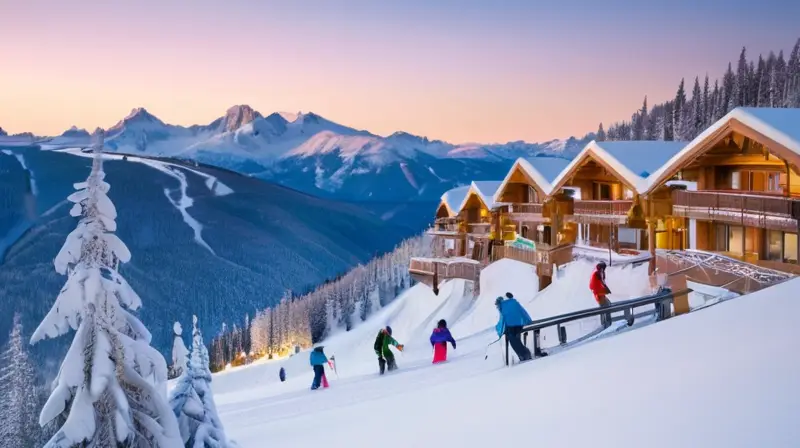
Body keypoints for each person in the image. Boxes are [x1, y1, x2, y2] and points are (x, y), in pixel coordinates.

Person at [495, 295, 534, 362]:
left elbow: (502, 322)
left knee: (512, 339)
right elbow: (523, 312)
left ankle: (524, 355)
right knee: (516, 339)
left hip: (511, 327)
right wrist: (528, 320)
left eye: (497, 306)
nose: (497, 307)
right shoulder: (514, 302)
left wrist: (499, 331)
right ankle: (525, 354)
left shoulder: (503, 307)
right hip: (519, 325)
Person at [589, 261, 613, 327]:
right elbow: (602, 282)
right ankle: (606, 323)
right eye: (603, 268)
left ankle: (606, 322)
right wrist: (606, 289)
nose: (603, 270)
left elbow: (603, 282)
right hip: (598, 293)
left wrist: (606, 289)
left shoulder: (600, 273)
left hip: (600, 293)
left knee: (607, 304)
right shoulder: (597, 273)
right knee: (605, 306)